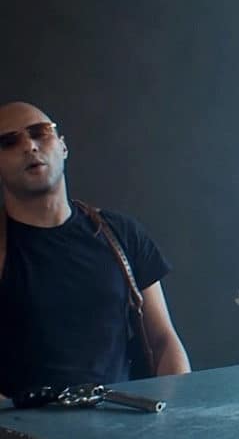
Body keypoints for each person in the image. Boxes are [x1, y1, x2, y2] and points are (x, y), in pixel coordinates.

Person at [0, 101, 191, 399]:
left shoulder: (120, 233)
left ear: (63, 146)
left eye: (40, 132)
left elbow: (163, 341)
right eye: (9, 142)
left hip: (122, 418)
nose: (29, 146)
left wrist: (175, 409)